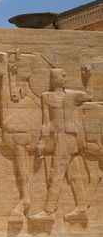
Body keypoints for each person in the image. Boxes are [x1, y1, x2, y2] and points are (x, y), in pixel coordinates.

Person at [30, 67, 93, 222]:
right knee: (74, 175)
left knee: (57, 174)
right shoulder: (46, 96)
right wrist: (42, 141)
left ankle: (49, 211)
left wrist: (88, 78)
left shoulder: (72, 95)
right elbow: (47, 123)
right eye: (60, 76)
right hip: (59, 138)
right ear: (53, 79)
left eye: (64, 75)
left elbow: (90, 96)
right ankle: (82, 208)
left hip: (69, 138)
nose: (64, 78)